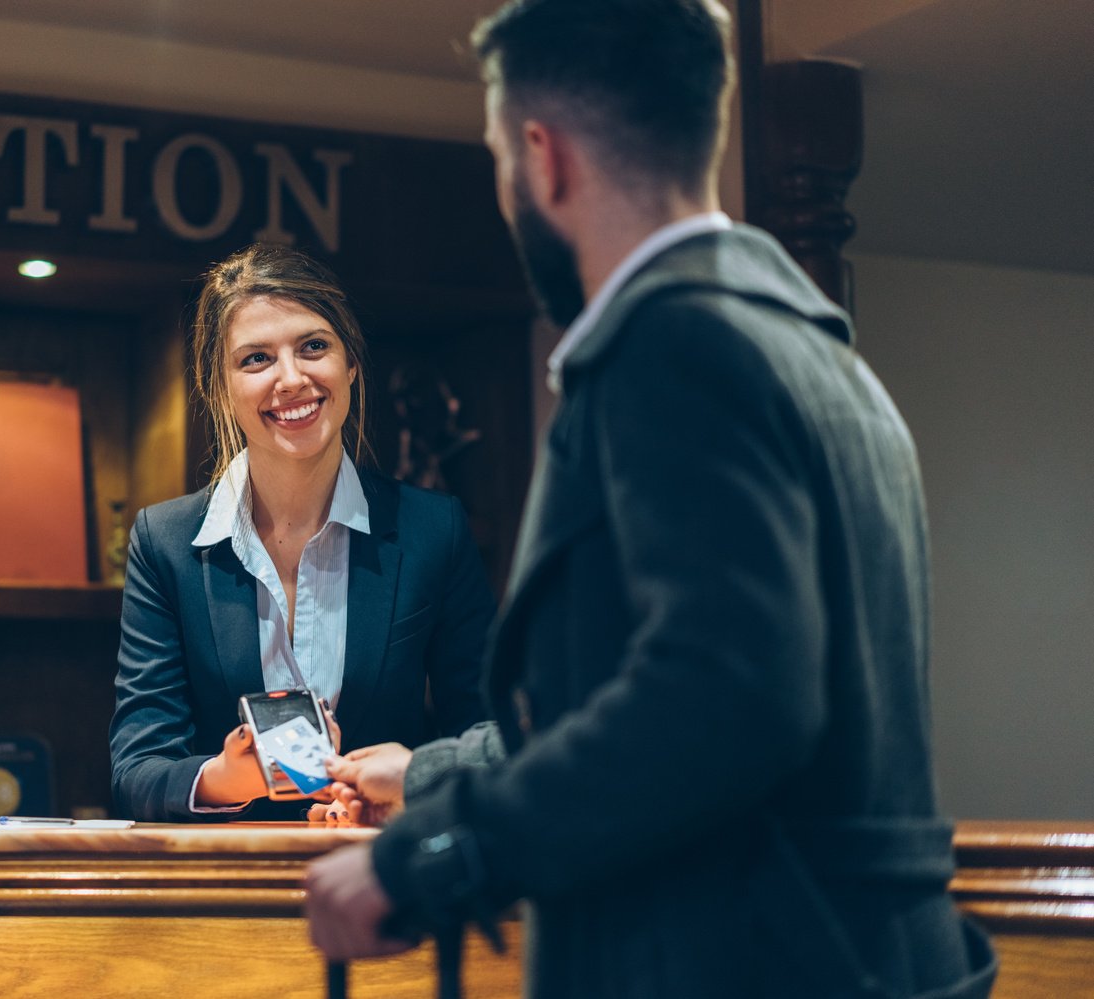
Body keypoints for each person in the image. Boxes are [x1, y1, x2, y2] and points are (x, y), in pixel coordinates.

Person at [304, 2, 999, 997]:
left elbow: (724, 697)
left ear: (543, 160)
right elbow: (627, 690)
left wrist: (434, 856)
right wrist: (427, 778)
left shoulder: (674, 348)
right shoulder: (822, 356)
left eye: (500, 159)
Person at [108, 243, 494, 822]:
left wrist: (413, 783)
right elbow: (137, 768)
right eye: (256, 359)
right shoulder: (163, 542)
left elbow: (489, 730)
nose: (292, 379)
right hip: (223, 894)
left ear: (350, 364)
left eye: (314, 347)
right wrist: (222, 776)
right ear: (219, 387)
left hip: (384, 879)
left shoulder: (434, 530)